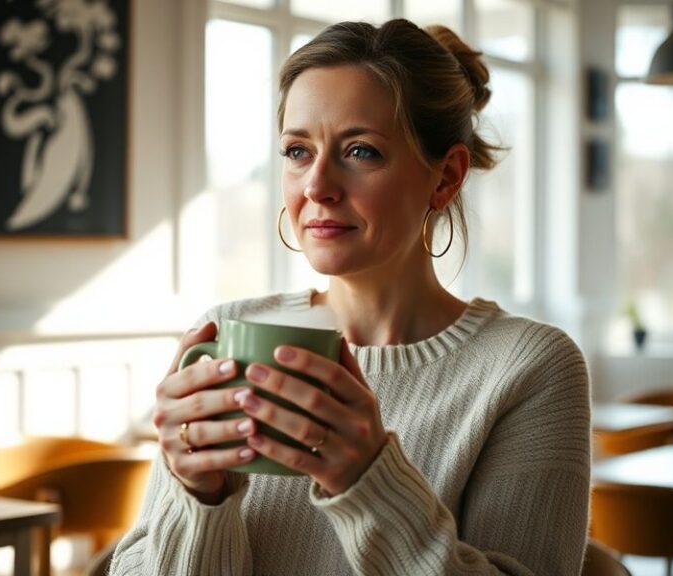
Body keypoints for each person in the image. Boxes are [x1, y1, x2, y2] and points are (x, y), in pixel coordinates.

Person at [110, 18, 590, 576]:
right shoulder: (223, 332)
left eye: (360, 151)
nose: (316, 186)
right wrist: (195, 493)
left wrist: (367, 480)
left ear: (445, 178)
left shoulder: (529, 369)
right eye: (297, 151)